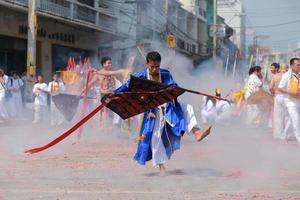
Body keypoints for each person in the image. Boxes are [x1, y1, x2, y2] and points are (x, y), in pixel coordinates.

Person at [114, 51, 211, 175]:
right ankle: (161, 167)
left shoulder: (165, 73)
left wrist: (175, 88)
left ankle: (197, 132)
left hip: (168, 106)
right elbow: (126, 87)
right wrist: (113, 95)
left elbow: (173, 86)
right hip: (151, 110)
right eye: (152, 66)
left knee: (188, 107)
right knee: (155, 137)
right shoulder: (140, 76)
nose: (155, 69)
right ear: (147, 64)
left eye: (157, 66)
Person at [278, 58, 300, 144]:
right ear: (292, 66)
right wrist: (291, 92)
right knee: (296, 120)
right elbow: (280, 88)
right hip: (290, 102)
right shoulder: (286, 75)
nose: (299, 66)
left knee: (292, 120)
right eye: (297, 65)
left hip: (298, 100)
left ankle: (283, 135)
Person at [269, 63, 289, 139]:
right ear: (287, 69)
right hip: (286, 97)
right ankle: (285, 134)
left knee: (278, 116)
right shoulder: (288, 77)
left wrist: (273, 93)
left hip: (277, 96)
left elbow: (270, 87)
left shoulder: (275, 76)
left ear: (280, 69)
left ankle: (277, 134)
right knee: (286, 116)